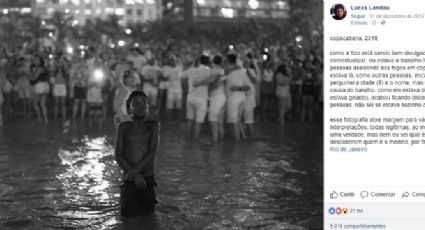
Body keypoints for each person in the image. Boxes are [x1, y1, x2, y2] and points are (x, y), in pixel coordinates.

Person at [114, 90, 160, 217]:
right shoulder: (123, 127)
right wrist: (135, 175)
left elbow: (152, 151)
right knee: (128, 218)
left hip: (147, 179)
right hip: (130, 181)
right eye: (136, 103)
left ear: (148, 107)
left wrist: (136, 172)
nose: (142, 105)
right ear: (129, 109)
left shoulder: (153, 126)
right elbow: (118, 155)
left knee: (148, 218)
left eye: (144, 102)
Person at [225, 53, 251, 140]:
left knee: (234, 121)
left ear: (228, 61)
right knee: (238, 119)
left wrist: (236, 88)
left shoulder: (227, 71)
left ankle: (237, 141)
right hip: (242, 98)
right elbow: (248, 87)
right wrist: (239, 88)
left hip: (233, 98)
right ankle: (243, 136)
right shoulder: (243, 71)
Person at [30, 55, 50, 123]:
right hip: (46, 86)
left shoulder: (39, 68)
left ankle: (39, 118)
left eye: (36, 59)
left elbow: (34, 78)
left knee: (35, 103)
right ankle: (46, 119)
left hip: (39, 86)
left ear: (40, 60)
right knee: (42, 104)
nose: (35, 61)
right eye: (34, 59)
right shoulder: (44, 68)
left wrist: (29, 75)